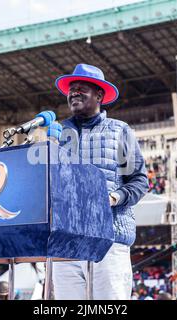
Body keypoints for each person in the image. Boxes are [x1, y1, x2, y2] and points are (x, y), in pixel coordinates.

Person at [52, 64, 148, 300]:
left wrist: (114, 198)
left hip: (109, 239)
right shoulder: (56, 133)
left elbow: (139, 181)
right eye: (71, 89)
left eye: (81, 89)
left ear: (99, 95)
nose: (73, 93)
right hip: (65, 242)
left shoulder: (120, 131)